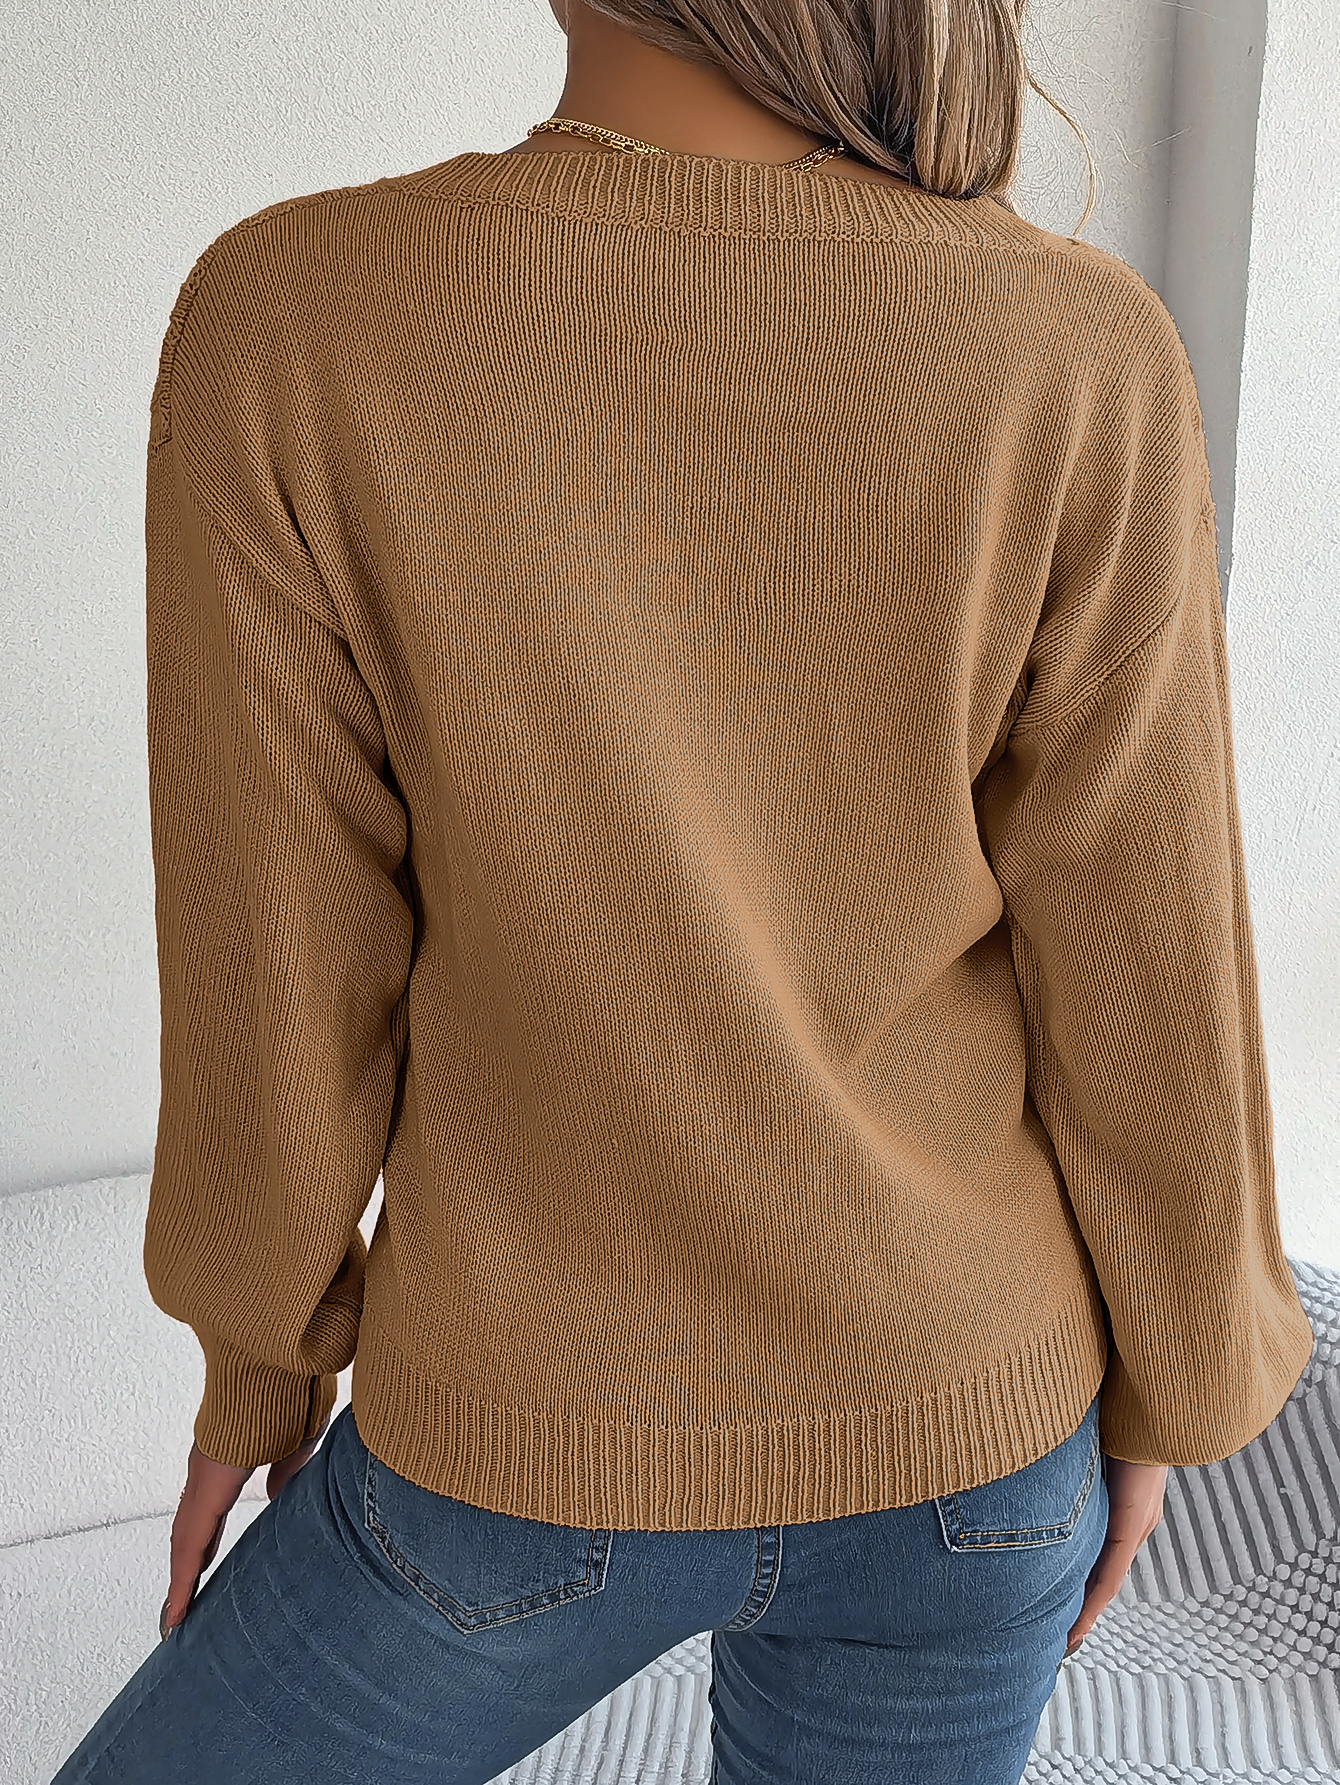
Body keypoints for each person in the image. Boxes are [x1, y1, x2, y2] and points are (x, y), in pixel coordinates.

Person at [51, 0, 1315, 1780]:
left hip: (518, 1435)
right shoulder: (1077, 349)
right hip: (973, 1446)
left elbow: (281, 954)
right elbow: (1146, 956)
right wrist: (1176, 1382)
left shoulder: (297, 319)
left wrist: (258, 1362)